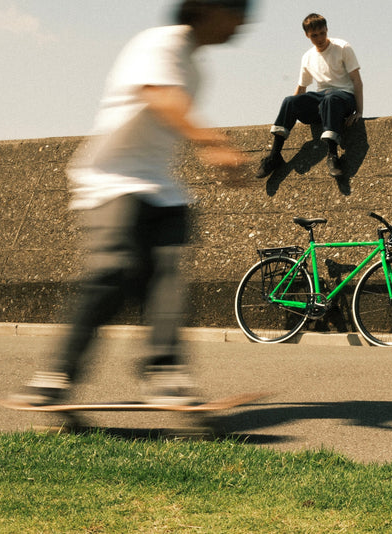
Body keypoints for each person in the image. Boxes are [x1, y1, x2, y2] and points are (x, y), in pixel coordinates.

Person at [14, 0, 251, 407]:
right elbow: (159, 95)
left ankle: (164, 373)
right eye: (238, 12)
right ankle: (56, 374)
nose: (243, 24)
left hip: (162, 188)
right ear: (208, 9)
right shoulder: (160, 43)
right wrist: (214, 144)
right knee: (113, 269)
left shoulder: (195, 65)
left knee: (166, 277)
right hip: (111, 180)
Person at [256, 13, 363, 178]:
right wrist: (292, 108)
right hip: (322, 101)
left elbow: (357, 81)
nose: (319, 38)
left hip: (344, 98)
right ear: (307, 35)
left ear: (327, 29)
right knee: (290, 101)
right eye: (314, 35)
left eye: (322, 33)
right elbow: (301, 89)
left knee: (331, 98)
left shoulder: (342, 47)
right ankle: (275, 156)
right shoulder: (307, 57)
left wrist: (359, 112)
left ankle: (333, 156)